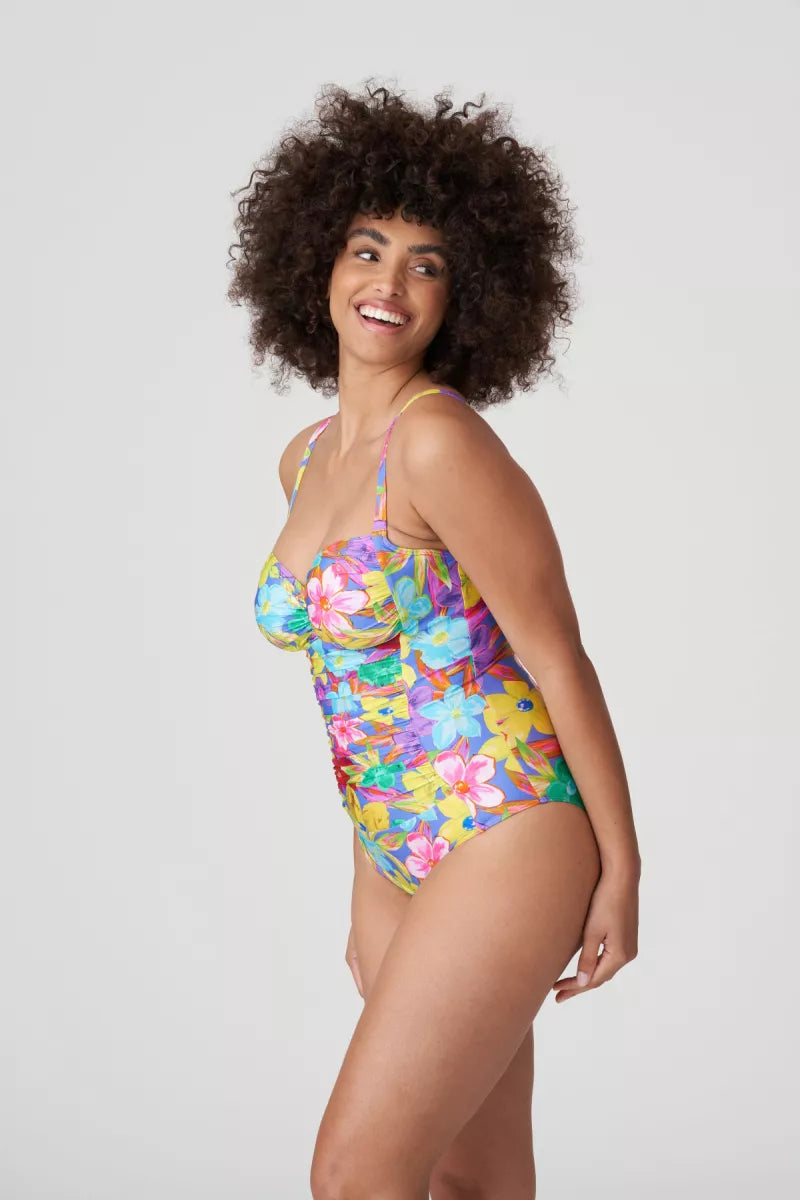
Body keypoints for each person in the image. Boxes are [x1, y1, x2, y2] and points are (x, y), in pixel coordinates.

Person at [229, 81, 641, 1200]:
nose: (388, 282)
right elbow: (361, 686)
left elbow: (557, 656)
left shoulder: (438, 444)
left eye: (427, 265)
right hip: (393, 846)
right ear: (317, 263)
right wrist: (369, 873)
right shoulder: (305, 458)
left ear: (463, 299)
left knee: (356, 1173)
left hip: (507, 830)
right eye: (367, 249)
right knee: (475, 1182)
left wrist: (620, 870)